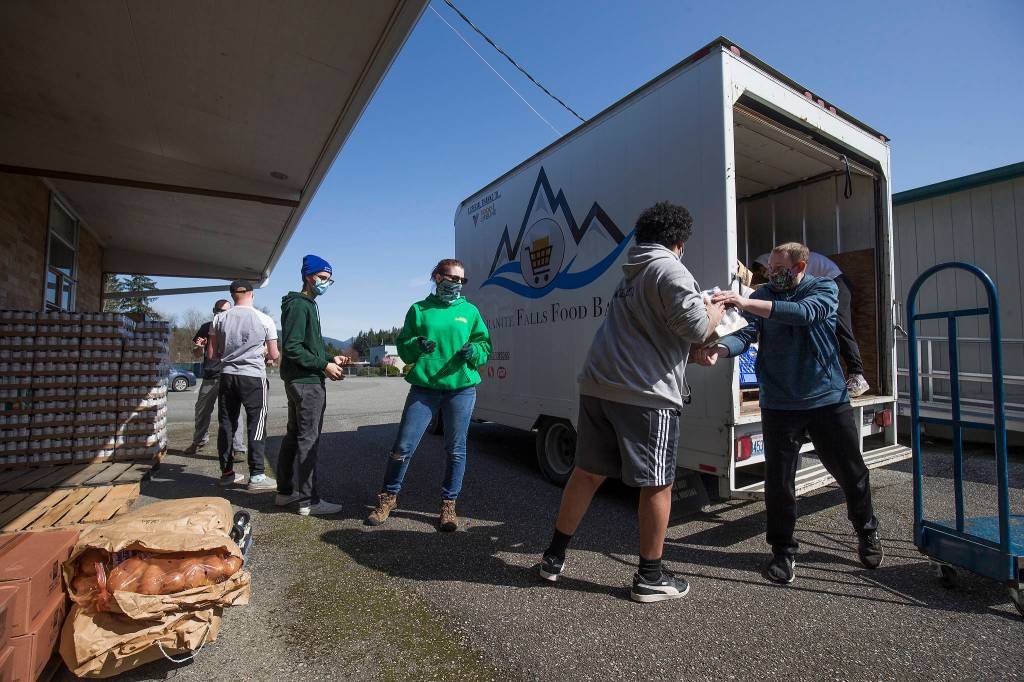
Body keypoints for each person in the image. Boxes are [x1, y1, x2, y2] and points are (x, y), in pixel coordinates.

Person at [536, 201, 725, 603]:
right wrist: (715, 310)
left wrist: (689, 354)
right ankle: (650, 577)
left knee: (586, 473)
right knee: (658, 483)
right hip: (644, 395)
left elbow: (652, 334)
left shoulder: (632, 273)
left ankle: (553, 557)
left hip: (599, 386)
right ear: (680, 241)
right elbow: (695, 325)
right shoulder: (670, 268)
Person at [696, 242, 883, 585]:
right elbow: (747, 333)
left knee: (852, 474)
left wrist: (745, 300)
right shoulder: (765, 293)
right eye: (770, 270)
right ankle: (782, 551)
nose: (773, 276)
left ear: (800, 268)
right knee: (779, 484)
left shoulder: (824, 289)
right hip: (780, 404)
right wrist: (720, 349)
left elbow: (803, 315)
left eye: (781, 270)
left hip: (826, 400)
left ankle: (866, 531)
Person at [364, 258, 492, 532]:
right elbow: (405, 345)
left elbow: (485, 346)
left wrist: (474, 352)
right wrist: (417, 344)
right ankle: (388, 497)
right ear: (436, 277)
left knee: (456, 450)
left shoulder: (469, 311)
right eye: (451, 278)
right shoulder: (419, 310)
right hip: (424, 389)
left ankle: (449, 505)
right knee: (403, 446)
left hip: (461, 389)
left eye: (461, 280)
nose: (456, 284)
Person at [275, 255, 350, 516]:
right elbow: (293, 348)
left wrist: (330, 359)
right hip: (307, 383)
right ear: (309, 277)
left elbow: (306, 347)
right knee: (309, 439)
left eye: (329, 280)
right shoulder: (300, 306)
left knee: (294, 436)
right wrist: (323, 366)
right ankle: (309, 501)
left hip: (300, 380)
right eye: (322, 279)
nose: (325, 284)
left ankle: (285, 492)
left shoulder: (306, 304)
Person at [752, 250, 869, 397]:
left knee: (841, 327)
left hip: (836, 282)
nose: (767, 275)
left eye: (765, 270)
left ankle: (858, 375)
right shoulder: (787, 267)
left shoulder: (794, 263)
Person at [208, 280, 280, 490]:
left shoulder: (219, 319)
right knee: (256, 424)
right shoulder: (264, 319)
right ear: (252, 294)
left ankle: (227, 472)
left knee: (227, 424)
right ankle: (256, 475)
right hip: (253, 377)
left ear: (232, 295)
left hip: (227, 375)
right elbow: (274, 354)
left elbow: (212, 355)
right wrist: (266, 353)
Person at [184, 299, 247, 457]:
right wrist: (199, 347)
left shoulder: (236, 327)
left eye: (224, 311)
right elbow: (197, 353)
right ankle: (199, 441)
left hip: (231, 374)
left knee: (234, 412)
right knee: (202, 409)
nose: (220, 313)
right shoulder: (206, 327)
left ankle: (238, 447)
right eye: (217, 310)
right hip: (211, 375)